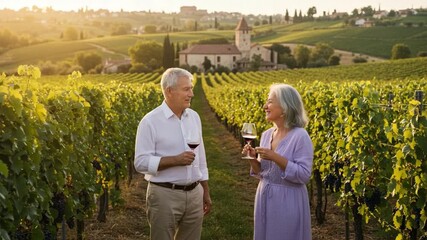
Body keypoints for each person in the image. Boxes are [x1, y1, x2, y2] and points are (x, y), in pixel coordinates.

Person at [134, 67, 212, 240]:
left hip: (194, 194)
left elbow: (201, 158)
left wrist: (204, 190)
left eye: (191, 88)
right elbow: (140, 162)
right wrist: (174, 160)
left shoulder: (194, 117)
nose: (191, 94)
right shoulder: (150, 122)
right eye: (186, 89)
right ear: (169, 91)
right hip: (164, 195)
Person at [242, 83, 313, 240]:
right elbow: (264, 172)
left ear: (285, 107)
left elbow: (303, 175)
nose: (264, 106)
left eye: (270, 102)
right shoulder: (267, 134)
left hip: (288, 201)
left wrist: (275, 156)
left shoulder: (300, 136)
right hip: (264, 196)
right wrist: (253, 159)